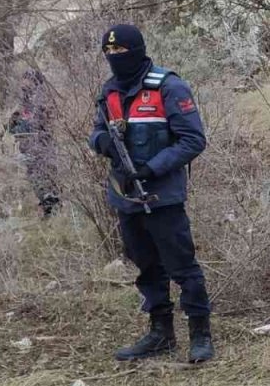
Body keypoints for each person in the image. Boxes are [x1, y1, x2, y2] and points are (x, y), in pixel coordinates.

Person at [88, 24, 214, 363]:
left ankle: (200, 334)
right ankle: (161, 333)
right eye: (108, 52)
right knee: (146, 266)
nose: (114, 57)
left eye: (120, 51)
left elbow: (193, 140)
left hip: (163, 196)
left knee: (182, 266)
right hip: (126, 197)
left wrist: (151, 169)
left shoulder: (168, 86)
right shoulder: (110, 91)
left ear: (137, 50)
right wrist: (102, 142)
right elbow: (96, 131)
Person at [7, 68, 60, 217]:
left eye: (28, 79)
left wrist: (24, 125)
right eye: (24, 79)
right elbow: (13, 128)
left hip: (42, 148)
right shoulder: (23, 101)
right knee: (35, 179)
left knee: (46, 178)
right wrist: (14, 122)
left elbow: (42, 124)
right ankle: (46, 207)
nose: (24, 83)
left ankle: (52, 208)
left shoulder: (42, 100)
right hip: (27, 149)